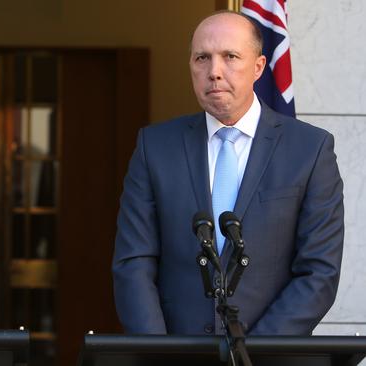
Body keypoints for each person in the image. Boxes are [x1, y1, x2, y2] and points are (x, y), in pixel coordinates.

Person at [113, 11, 344, 335]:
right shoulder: (155, 147)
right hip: (176, 358)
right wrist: (158, 351)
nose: (214, 72)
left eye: (230, 57)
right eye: (202, 58)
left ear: (259, 67)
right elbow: (133, 262)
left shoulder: (310, 149)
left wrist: (253, 354)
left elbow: (319, 271)